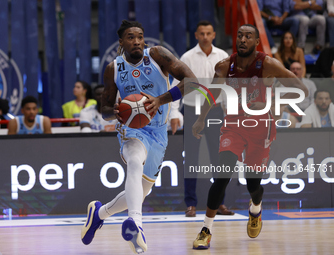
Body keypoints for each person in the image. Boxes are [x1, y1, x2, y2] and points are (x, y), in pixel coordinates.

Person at [81, 20, 198, 254]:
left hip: (158, 131)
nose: (136, 41)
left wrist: (160, 100)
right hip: (131, 128)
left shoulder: (157, 55)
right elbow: (105, 110)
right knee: (134, 162)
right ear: (121, 42)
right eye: (131, 37)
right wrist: (112, 112)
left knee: (142, 192)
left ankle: (99, 213)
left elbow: (192, 81)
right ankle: (136, 224)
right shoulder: (113, 68)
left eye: (140, 36)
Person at [191, 24, 308, 249]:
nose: (243, 39)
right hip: (233, 125)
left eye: (248, 36)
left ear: (256, 42)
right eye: (240, 35)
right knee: (222, 176)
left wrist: (272, 103)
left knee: (253, 183)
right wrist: (200, 119)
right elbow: (213, 93)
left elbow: (301, 89)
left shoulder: (268, 64)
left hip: (260, 128)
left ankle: (256, 208)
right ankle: (206, 229)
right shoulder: (225, 66)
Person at [171, 20, 233, 217]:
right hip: (192, 110)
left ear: (214, 35)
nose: (205, 36)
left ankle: (219, 204)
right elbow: (176, 83)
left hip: (216, 111)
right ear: (196, 35)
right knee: (191, 158)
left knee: (219, 158)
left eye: (208, 33)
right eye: (201, 33)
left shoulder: (223, 56)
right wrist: (174, 111)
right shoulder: (187, 57)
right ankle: (190, 204)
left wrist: (230, 110)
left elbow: (229, 86)